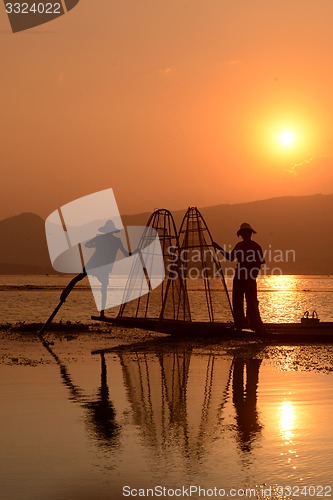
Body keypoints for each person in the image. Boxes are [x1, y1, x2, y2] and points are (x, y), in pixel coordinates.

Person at [213, 222, 266, 334]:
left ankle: (255, 324)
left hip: (249, 277)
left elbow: (259, 263)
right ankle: (239, 324)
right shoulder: (239, 246)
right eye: (243, 233)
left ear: (250, 234)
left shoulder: (256, 247)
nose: (244, 235)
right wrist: (218, 248)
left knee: (251, 302)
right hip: (239, 277)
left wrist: (252, 275)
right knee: (237, 301)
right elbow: (230, 257)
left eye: (246, 233)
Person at [85, 220, 130, 317]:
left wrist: (135, 253)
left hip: (99, 266)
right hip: (96, 264)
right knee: (102, 287)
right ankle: (102, 313)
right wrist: (96, 245)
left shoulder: (112, 240)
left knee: (104, 287)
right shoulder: (107, 239)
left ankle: (102, 313)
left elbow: (126, 254)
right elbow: (87, 244)